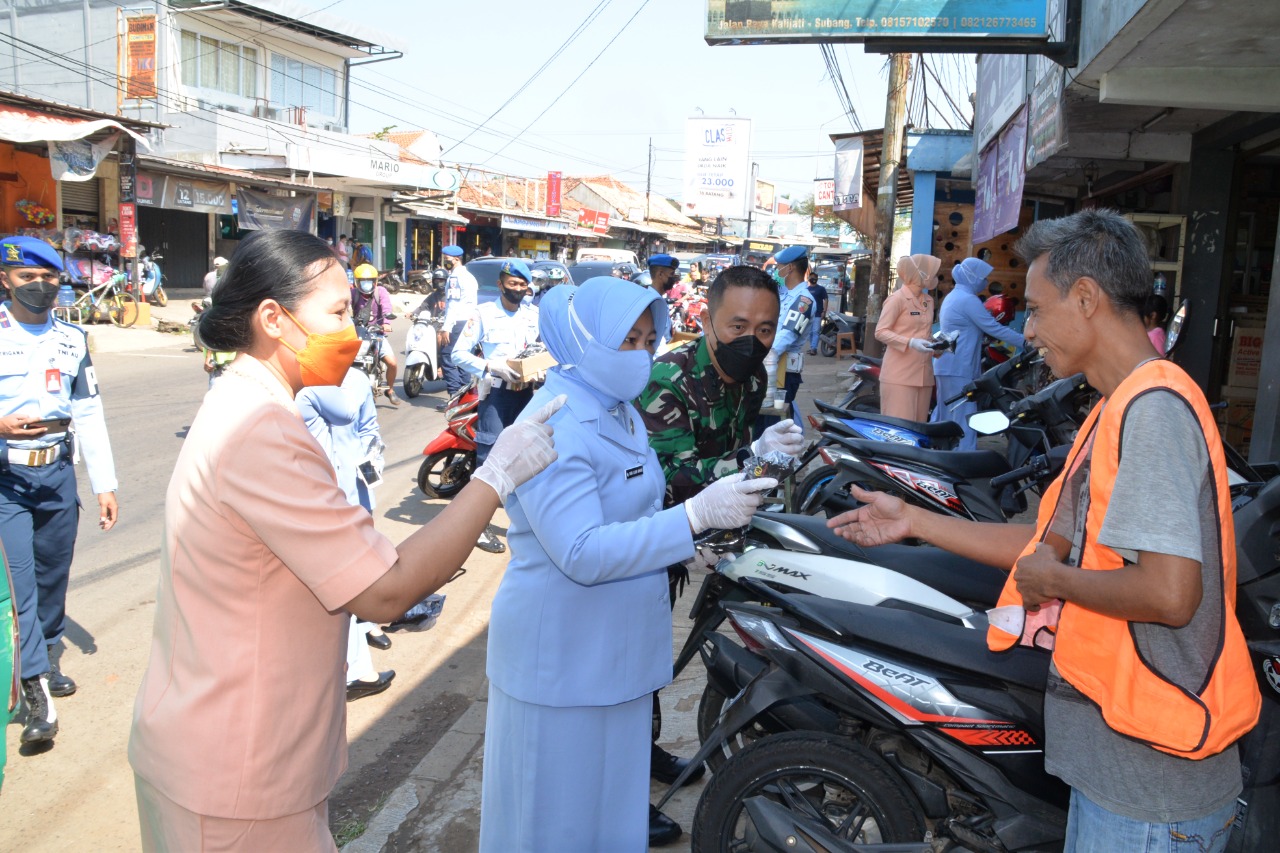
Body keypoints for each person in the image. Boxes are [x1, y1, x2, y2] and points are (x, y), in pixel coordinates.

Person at [828, 209, 1259, 853]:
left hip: (1150, 794)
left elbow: (1171, 595)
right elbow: (1039, 546)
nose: (1028, 332)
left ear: (1086, 299)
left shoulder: (1154, 412)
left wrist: (1054, 580)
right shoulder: (1115, 409)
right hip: (1123, 776)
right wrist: (914, 521)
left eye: (1037, 309)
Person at [128, 229, 561, 851]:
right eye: (335, 314)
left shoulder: (242, 401)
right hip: (239, 776)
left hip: (223, 753)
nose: (351, 333)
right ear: (273, 319)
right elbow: (384, 594)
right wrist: (494, 477)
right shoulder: (262, 429)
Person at [480, 278, 776, 851]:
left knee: (611, 813)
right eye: (625, 340)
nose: (641, 355)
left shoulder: (619, 411)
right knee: (555, 823)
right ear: (582, 340)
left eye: (647, 339)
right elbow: (581, 552)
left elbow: (633, 512)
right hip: (562, 662)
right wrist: (691, 519)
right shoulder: (555, 424)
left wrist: (690, 546)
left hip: (616, 653)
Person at [638, 264, 801, 839]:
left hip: (694, 538)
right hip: (643, 537)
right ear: (706, 317)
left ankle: (645, 753)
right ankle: (625, 792)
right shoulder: (669, 379)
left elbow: (735, 450)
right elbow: (671, 475)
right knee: (630, 661)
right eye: (737, 325)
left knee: (656, 651)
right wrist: (747, 459)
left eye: (764, 329)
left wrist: (767, 456)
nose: (750, 341)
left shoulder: (753, 379)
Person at [0, 236, 119, 746]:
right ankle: (34, 691)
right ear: (6, 279)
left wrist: (105, 484)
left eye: (49, 277)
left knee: (53, 574)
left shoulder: (72, 338)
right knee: (21, 582)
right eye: (29, 278)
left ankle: (46, 653)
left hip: (56, 476)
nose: (41, 286)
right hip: (8, 479)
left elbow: (88, 412)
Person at [297, 367, 397, 701]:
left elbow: (368, 427)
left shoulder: (356, 379)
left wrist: (372, 460)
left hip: (356, 490)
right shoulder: (299, 381)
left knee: (364, 565)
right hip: (320, 497)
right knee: (341, 579)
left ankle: (368, 625)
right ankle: (355, 669)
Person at [451, 260, 540, 555]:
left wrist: (541, 367)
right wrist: (491, 366)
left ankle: (525, 522)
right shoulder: (484, 314)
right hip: (497, 394)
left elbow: (543, 348)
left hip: (527, 394)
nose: (517, 290)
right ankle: (478, 526)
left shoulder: (533, 315)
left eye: (522, 285)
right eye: (511, 284)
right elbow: (458, 354)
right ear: (500, 285)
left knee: (527, 457)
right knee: (489, 460)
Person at [932, 257, 1025, 450]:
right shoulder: (968, 300)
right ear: (972, 278)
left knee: (944, 415)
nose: (986, 282)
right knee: (965, 417)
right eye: (983, 277)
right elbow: (994, 328)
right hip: (959, 367)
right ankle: (964, 459)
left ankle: (940, 455)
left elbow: (967, 331)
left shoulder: (953, 296)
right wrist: (1026, 342)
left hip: (947, 364)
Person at [875, 254, 942, 422]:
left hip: (923, 376)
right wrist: (910, 342)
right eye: (929, 271)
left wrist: (939, 346)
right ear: (917, 273)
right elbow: (881, 331)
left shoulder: (928, 301)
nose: (933, 276)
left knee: (919, 430)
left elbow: (924, 334)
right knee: (900, 432)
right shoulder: (897, 299)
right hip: (900, 376)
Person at [760, 245, 815, 432]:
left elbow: (785, 337)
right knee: (760, 424)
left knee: (772, 426)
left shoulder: (804, 301)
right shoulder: (781, 293)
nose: (776, 271)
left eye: (779, 266)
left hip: (783, 373)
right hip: (768, 368)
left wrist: (757, 355)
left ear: (789, 268)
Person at [351, 262, 400, 406]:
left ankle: (390, 389)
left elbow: (386, 308)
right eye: (363, 281)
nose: (366, 284)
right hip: (358, 334)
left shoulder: (381, 292)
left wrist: (386, 323)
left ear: (375, 281)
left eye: (370, 281)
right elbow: (343, 306)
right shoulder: (353, 293)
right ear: (357, 282)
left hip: (377, 333)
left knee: (392, 363)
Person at [438, 245, 478, 410]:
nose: (445, 262)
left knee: (447, 358)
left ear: (456, 259)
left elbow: (453, 304)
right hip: (468, 322)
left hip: (457, 323)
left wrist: (446, 327)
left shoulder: (455, 278)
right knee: (463, 358)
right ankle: (466, 398)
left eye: (447, 260)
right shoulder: (469, 276)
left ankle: (455, 396)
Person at [806, 270, 829, 355]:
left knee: (815, 331)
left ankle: (814, 348)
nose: (813, 279)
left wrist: (824, 311)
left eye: (814, 277)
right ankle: (812, 347)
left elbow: (826, 299)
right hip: (808, 314)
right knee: (810, 332)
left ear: (817, 279)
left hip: (818, 314)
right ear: (808, 278)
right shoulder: (806, 290)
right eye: (811, 277)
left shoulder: (821, 289)